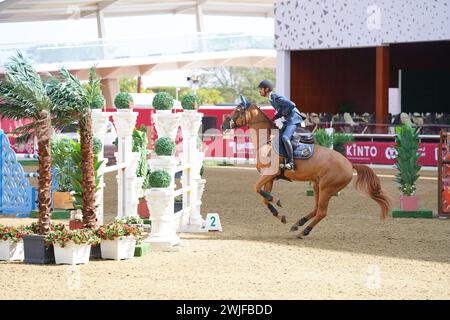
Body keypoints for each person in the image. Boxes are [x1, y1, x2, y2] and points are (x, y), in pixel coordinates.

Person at [258, 79, 304, 170]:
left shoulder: (275, 96)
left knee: (285, 137)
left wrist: (282, 114)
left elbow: (291, 105)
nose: (259, 91)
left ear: (267, 89)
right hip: (288, 121)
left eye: (261, 89)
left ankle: (291, 163)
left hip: (293, 119)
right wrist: (273, 119)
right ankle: (283, 161)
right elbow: (281, 112)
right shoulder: (271, 99)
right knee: (278, 138)